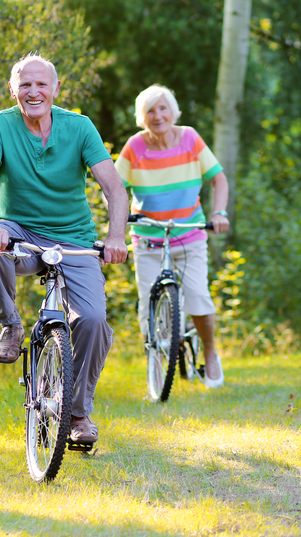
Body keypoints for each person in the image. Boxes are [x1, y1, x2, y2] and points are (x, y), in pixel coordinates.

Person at [0, 53, 129, 445]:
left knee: (91, 320)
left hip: (73, 239)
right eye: (25, 84)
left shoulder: (80, 127)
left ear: (56, 89)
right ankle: (11, 323)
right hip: (18, 233)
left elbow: (113, 188)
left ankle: (76, 415)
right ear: (13, 90)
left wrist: (116, 236)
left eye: (41, 84)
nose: (33, 91)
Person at [114, 84, 229, 388]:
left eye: (163, 108)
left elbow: (218, 179)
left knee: (198, 296)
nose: (158, 115)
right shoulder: (135, 146)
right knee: (147, 303)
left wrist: (219, 214)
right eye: (150, 110)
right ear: (143, 116)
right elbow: (113, 186)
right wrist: (118, 219)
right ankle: (156, 357)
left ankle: (210, 352)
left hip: (188, 234)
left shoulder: (189, 138)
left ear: (173, 111)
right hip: (148, 238)